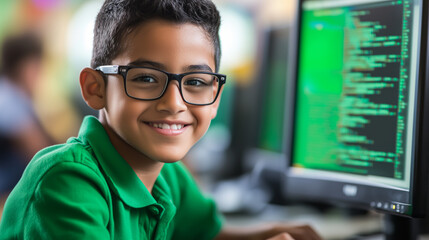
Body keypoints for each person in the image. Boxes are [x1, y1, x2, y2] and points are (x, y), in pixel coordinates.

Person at [0, 1, 322, 239]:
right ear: (95, 89)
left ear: (215, 99)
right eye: (145, 79)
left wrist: (273, 232)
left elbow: (209, 236)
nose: (174, 103)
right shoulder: (66, 182)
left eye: (195, 82)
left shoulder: (167, 175)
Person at [0, 32, 53, 213]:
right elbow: (39, 152)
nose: (40, 75)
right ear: (24, 67)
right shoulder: (7, 98)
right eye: (37, 67)